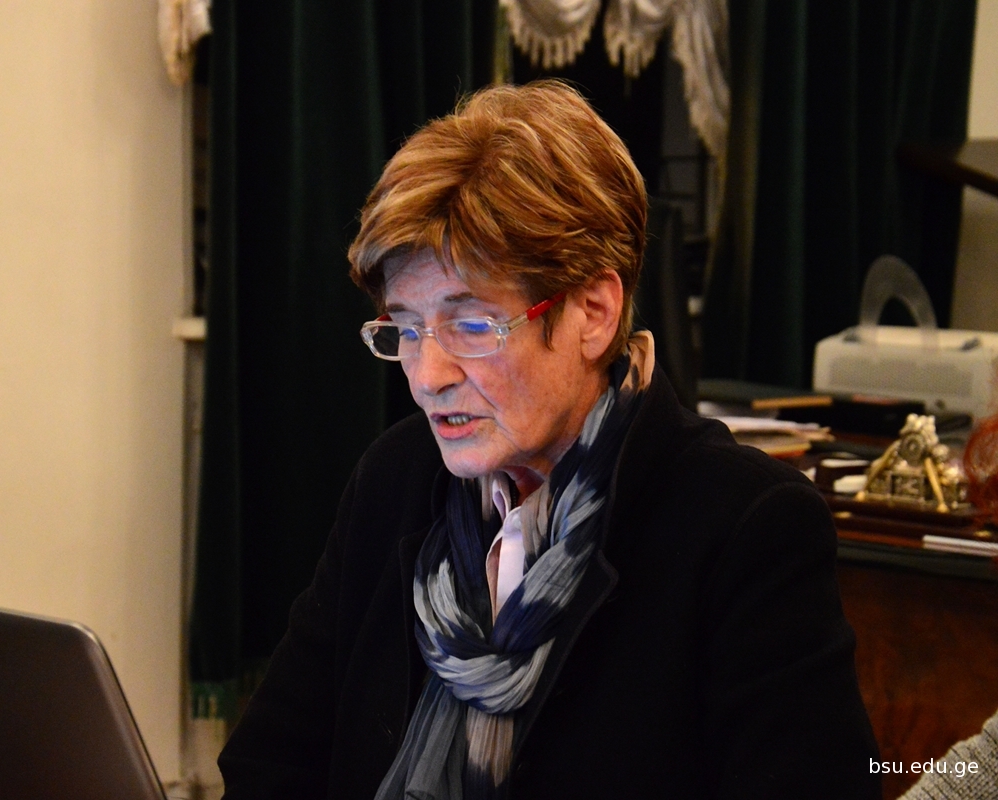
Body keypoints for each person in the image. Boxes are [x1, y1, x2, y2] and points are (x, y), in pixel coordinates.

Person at [217, 80, 880, 799]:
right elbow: (269, 767)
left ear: (594, 312)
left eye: (471, 325)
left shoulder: (742, 526)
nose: (427, 376)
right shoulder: (395, 479)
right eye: (405, 328)